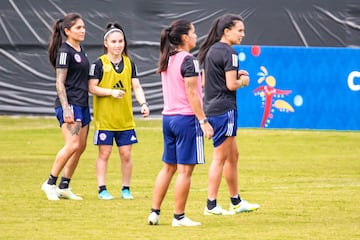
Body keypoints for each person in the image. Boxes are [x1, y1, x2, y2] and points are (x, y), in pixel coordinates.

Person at [147, 19, 214, 227]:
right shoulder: (189, 60)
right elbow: (191, 92)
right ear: (184, 37)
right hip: (186, 120)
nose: (196, 36)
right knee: (185, 171)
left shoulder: (168, 59)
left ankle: (154, 213)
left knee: (168, 168)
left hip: (168, 119)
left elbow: (191, 86)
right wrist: (203, 120)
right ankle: (179, 217)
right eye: (193, 32)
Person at [197, 14, 260, 215]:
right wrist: (244, 81)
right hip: (225, 110)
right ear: (227, 31)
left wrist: (236, 74)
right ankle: (211, 204)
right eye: (239, 30)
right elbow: (231, 84)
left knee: (233, 155)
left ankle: (236, 201)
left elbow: (206, 83)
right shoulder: (230, 53)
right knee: (220, 158)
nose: (243, 34)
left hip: (213, 109)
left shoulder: (211, 51)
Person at [88, 22, 150, 200]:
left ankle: (126, 189)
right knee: (104, 153)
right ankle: (102, 189)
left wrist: (143, 103)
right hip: (105, 120)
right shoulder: (98, 64)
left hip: (125, 120)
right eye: (114, 41)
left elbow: (136, 86)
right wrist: (110, 92)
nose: (117, 45)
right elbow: (92, 88)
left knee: (126, 154)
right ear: (106, 43)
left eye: (120, 41)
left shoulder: (130, 63)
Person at [41, 12, 90, 201]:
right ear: (67, 31)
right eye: (78, 27)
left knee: (81, 146)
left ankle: (64, 186)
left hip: (83, 104)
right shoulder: (65, 51)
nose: (83, 30)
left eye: (83, 27)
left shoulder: (81, 50)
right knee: (73, 144)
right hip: (70, 104)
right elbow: (59, 82)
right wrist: (66, 108)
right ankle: (50, 183)